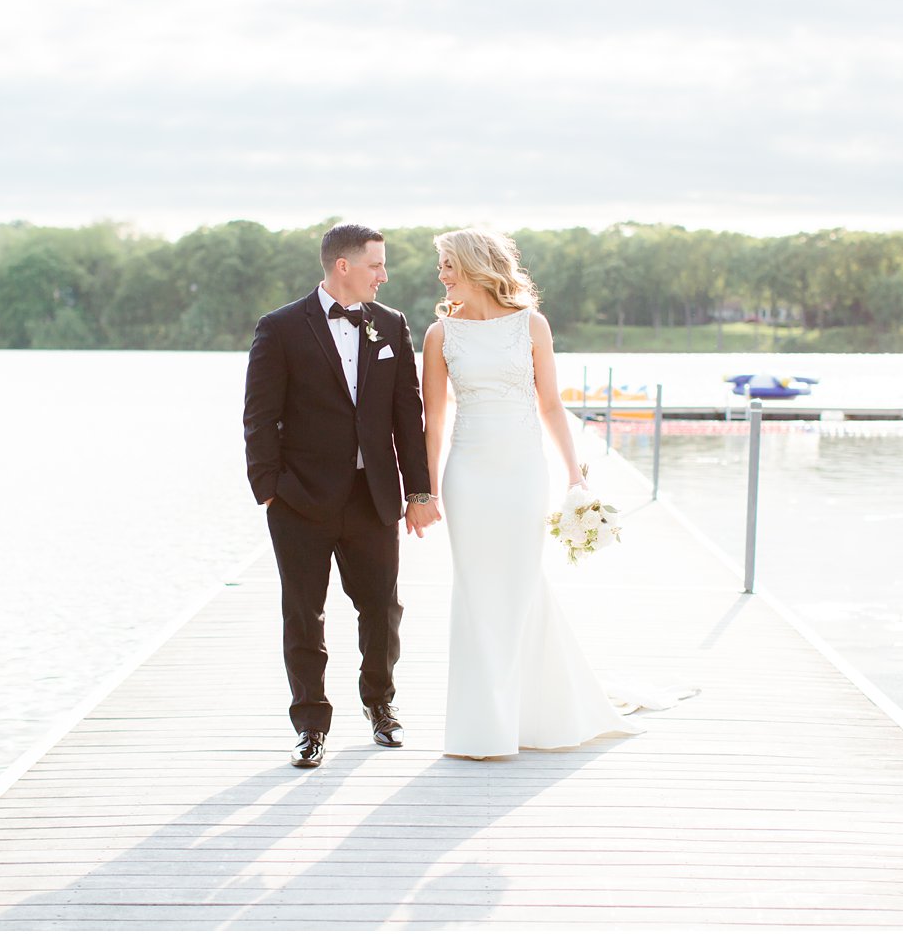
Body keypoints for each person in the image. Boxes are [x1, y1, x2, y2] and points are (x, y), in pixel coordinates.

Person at [420, 228, 644, 758]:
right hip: (467, 473)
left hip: (523, 469)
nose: (442, 273)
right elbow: (433, 418)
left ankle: (535, 710)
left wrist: (575, 473)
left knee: (520, 583)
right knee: (476, 589)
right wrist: (426, 490)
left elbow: (550, 404)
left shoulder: (531, 325)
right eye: (441, 264)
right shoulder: (439, 335)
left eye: (449, 262)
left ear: (476, 265)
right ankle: (483, 726)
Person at [243, 223, 441, 768]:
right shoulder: (280, 328)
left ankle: (381, 705)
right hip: (299, 500)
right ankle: (310, 724)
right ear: (343, 267)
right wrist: (270, 491)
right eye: (376, 264)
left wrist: (419, 489)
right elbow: (259, 418)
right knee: (304, 614)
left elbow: (409, 413)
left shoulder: (391, 324)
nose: (384, 274)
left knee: (382, 607)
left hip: (372, 495)